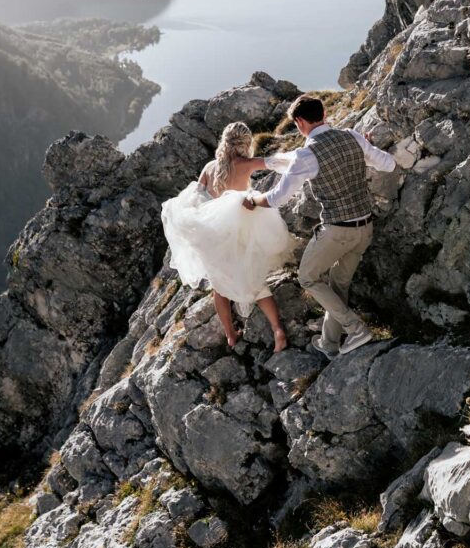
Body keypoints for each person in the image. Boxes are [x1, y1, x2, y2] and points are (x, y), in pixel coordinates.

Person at [243, 94, 397, 357]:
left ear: (300, 122)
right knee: (338, 286)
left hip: (337, 231)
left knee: (308, 277)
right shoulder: (352, 136)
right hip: (364, 228)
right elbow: (388, 164)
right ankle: (330, 343)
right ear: (323, 114)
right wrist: (363, 151)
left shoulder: (307, 154)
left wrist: (254, 200)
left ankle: (356, 329)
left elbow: (278, 198)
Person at [161, 121, 291, 352]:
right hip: (240, 231)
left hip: (212, 236)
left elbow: (195, 196)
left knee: (219, 287)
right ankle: (278, 329)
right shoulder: (246, 164)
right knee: (255, 282)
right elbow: (277, 163)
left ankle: (230, 334)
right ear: (246, 144)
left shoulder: (210, 167)